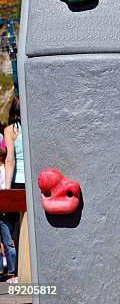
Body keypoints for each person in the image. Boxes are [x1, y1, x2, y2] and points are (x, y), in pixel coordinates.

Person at [4, 96, 25, 284]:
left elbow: (10, 160)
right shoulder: (33, 127)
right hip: (34, 184)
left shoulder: (10, 131)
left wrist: (7, 188)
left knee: (16, 229)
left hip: (18, 183)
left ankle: (18, 272)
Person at [0, 143, 16, 279]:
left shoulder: (4, 168)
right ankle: (2, 269)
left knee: (8, 241)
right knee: (7, 240)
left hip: (3, 207)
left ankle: (12, 270)